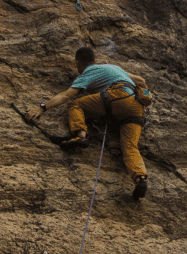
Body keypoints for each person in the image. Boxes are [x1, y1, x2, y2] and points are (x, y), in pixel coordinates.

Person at [24, 46, 152, 200]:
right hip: (136, 108)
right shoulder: (113, 67)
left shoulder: (87, 73)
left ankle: (80, 135)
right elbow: (141, 80)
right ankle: (140, 179)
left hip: (116, 97)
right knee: (130, 147)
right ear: (95, 60)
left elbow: (67, 96)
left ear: (78, 63)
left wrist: (42, 107)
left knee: (75, 104)